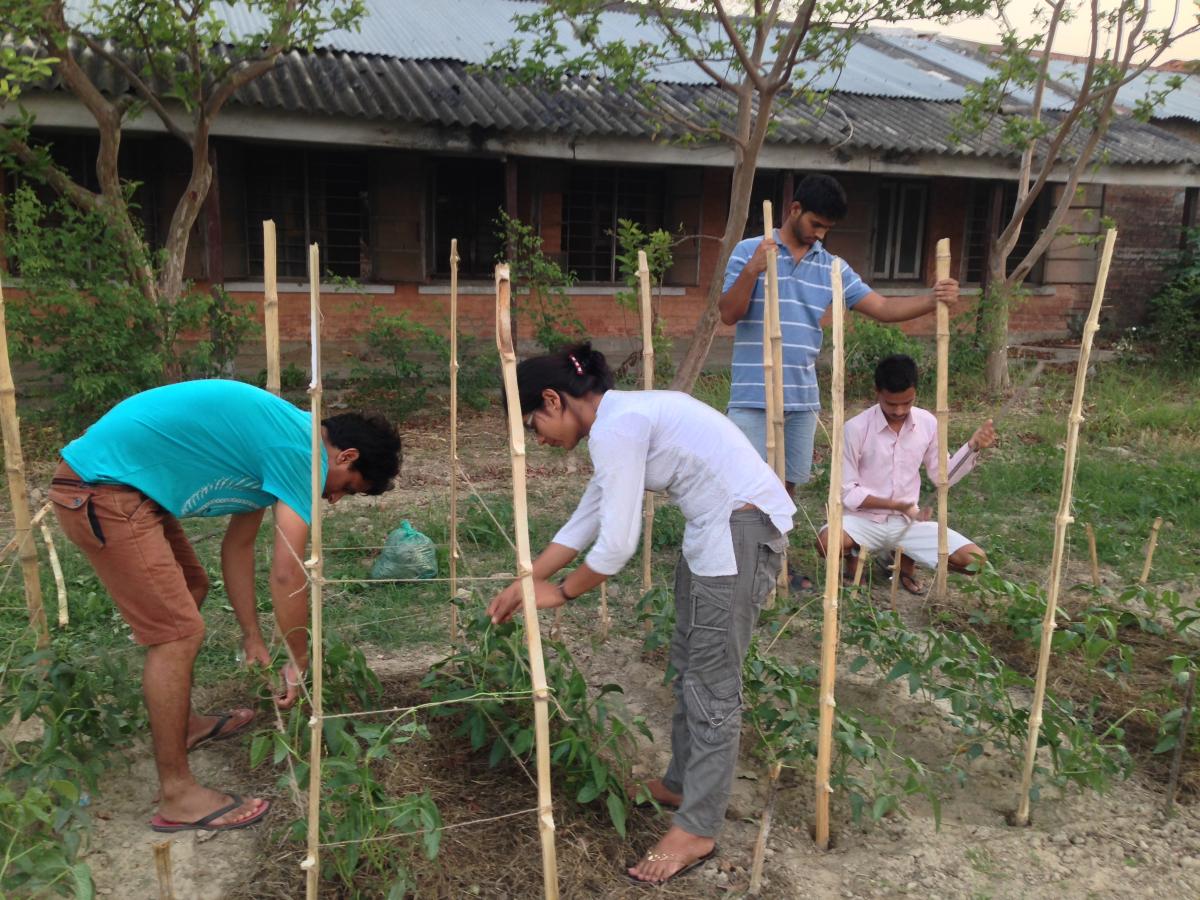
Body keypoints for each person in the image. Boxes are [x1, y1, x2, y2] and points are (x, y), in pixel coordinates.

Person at [486, 343, 794, 885]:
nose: (538, 439)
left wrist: (562, 592)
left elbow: (617, 543)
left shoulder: (617, 426)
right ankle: (681, 782)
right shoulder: (622, 419)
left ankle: (698, 826)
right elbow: (590, 514)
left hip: (737, 532)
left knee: (713, 683)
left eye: (535, 423)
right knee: (689, 665)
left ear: (554, 400)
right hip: (716, 532)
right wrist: (528, 577)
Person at [49, 380, 401, 833]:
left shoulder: (277, 441)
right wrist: (297, 658)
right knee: (178, 632)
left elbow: (239, 546)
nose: (333, 499)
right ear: (345, 456)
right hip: (101, 489)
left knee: (190, 589)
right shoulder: (300, 451)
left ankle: (186, 724)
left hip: (121, 488)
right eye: (347, 489)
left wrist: (252, 635)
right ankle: (178, 795)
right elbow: (288, 572)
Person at [719, 173, 960, 590]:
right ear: (794, 210)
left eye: (827, 229)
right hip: (753, 394)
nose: (820, 235)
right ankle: (736, 564)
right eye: (815, 225)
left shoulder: (831, 266)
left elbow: (881, 306)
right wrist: (755, 269)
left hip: (802, 396)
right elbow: (728, 312)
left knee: (785, 487)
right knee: (746, 486)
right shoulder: (750, 250)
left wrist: (933, 298)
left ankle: (774, 563)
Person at [817, 354, 995, 593]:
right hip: (862, 520)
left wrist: (972, 447)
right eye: (891, 404)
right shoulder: (855, 428)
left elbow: (942, 477)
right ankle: (855, 558)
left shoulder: (928, 423)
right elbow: (847, 491)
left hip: (909, 521)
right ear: (877, 392)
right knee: (827, 544)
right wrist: (898, 505)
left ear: (915, 393)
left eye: (907, 402)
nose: (899, 410)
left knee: (976, 561)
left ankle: (902, 559)